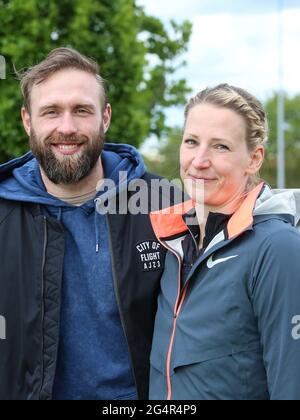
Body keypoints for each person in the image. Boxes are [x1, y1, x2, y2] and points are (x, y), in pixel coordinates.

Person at [0, 47, 179, 400]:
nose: (67, 128)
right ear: (27, 120)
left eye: (82, 110)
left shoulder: (166, 204)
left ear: (105, 117)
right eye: (51, 112)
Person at [149, 84, 300, 400]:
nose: (199, 160)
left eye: (220, 147)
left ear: (254, 159)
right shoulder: (172, 241)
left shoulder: (278, 248)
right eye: (192, 142)